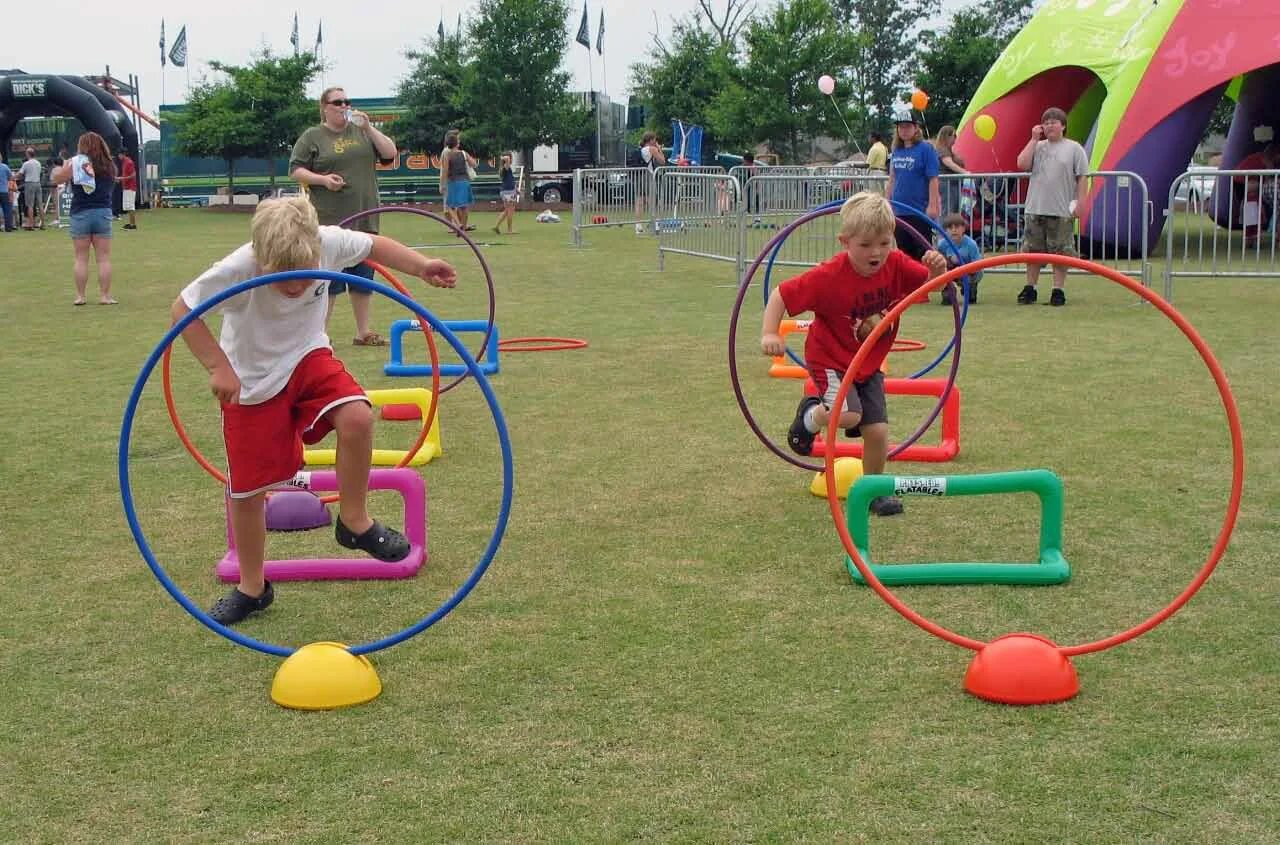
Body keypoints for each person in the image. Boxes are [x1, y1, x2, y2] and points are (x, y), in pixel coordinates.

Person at [171, 196, 458, 624]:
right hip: (250, 383)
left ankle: (355, 521)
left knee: (358, 416)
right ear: (261, 257)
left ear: (314, 249)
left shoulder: (327, 242)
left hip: (308, 358)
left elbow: (374, 245)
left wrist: (420, 266)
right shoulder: (239, 266)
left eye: (302, 275)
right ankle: (253, 587)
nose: (295, 286)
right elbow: (182, 309)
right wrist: (219, 366)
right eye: (281, 276)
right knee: (248, 491)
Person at [760, 192, 947, 517]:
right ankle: (810, 418)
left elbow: (932, 287)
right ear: (845, 241)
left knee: (877, 432)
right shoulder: (828, 276)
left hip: (867, 363)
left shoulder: (897, 264)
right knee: (848, 416)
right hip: (829, 359)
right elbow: (780, 294)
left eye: (884, 243)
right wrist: (770, 332)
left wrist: (935, 272)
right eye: (865, 245)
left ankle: (875, 491)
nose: (876, 252)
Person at [289, 86, 399, 346]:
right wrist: (323, 180)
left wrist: (369, 128)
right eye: (338, 102)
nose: (344, 106)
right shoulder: (313, 136)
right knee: (328, 280)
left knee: (363, 278)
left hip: (365, 217)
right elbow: (296, 170)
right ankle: (319, 335)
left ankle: (363, 331)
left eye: (347, 102)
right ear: (325, 107)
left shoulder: (362, 132)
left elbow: (390, 153)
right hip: (330, 221)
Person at [1015, 107, 1089, 306]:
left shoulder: (1074, 148)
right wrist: (1032, 140)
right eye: (1046, 122)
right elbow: (1021, 163)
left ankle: (1058, 289)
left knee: (1061, 252)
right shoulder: (1037, 147)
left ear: (1063, 125)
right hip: (1035, 207)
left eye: (1054, 122)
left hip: (1061, 209)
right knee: (1032, 251)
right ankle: (1030, 287)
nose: (1049, 125)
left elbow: (1082, 177)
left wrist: (1081, 202)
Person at [51, 132, 117, 305]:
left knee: (81, 257)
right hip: (102, 211)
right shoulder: (109, 164)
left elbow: (56, 178)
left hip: (80, 211)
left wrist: (64, 165)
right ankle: (105, 296)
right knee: (103, 258)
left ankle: (81, 296)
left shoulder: (76, 163)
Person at [885, 107, 940, 261]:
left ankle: (927, 284)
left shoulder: (926, 149)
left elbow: (933, 178)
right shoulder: (896, 150)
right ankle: (910, 285)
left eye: (908, 126)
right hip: (899, 210)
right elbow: (892, 178)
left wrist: (932, 205)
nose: (904, 130)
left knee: (923, 253)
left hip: (919, 210)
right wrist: (886, 202)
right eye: (901, 126)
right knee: (904, 253)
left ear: (916, 128)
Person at [1231, 142, 1279, 247]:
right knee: (1252, 209)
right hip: (1243, 181)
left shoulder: (1258, 157)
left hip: (1240, 180)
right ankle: (1252, 238)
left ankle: (1251, 238)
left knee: (1251, 208)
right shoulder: (1265, 159)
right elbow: (1269, 174)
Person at [939, 213, 983, 305]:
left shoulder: (971, 244)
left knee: (971, 299)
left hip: (971, 272)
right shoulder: (942, 245)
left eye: (957, 227)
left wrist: (962, 272)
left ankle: (971, 288)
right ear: (946, 230)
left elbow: (977, 266)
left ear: (963, 228)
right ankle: (948, 291)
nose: (954, 230)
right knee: (947, 300)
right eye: (950, 228)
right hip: (951, 271)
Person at [440, 129, 477, 232]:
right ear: (456, 143)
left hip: (453, 182)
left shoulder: (447, 155)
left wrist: (442, 184)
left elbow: (445, 171)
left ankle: (458, 223)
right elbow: (474, 164)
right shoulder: (463, 153)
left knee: (450, 206)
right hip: (464, 182)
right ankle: (464, 228)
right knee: (464, 207)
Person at [634, 131, 666, 234]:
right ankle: (655, 224)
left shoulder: (641, 149)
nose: (656, 141)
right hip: (648, 175)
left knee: (640, 201)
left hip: (639, 175)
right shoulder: (652, 149)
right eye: (655, 139)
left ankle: (638, 225)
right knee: (651, 200)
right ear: (651, 140)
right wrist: (659, 149)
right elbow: (662, 161)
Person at [933, 125, 970, 216]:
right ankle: (944, 229)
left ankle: (949, 229)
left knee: (953, 209)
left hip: (953, 184)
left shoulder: (947, 150)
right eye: (954, 135)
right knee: (949, 209)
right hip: (947, 184)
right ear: (947, 136)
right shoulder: (942, 149)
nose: (955, 138)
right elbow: (948, 162)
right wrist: (964, 172)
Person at [18, 147, 45, 230]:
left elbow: (20, 174)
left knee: (30, 205)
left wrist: (12, 177)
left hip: (29, 184)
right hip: (38, 184)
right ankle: (42, 224)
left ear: (28, 154)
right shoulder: (38, 163)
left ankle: (30, 224)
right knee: (40, 205)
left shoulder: (26, 163)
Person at [492, 152, 518, 234]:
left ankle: (496, 226)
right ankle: (509, 230)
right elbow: (506, 158)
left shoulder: (504, 168)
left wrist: (516, 189)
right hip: (509, 192)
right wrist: (502, 157)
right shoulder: (506, 167)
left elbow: (510, 180)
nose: (511, 159)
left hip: (506, 191)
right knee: (510, 210)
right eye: (511, 158)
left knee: (507, 210)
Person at [118, 151, 138, 229]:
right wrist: (121, 179)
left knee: (131, 206)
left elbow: (133, 175)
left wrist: (122, 178)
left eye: (119, 154)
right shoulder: (124, 162)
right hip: (126, 187)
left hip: (130, 187)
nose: (118, 156)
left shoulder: (129, 162)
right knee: (128, 206)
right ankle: (130, 223)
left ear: (122, 154)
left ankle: (133, 225)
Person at [0, 158, 13, 232]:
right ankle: (8, 228)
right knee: (7, 210)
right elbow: (11, 178)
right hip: (4, 191)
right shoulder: (5, 167)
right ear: (1, 159)